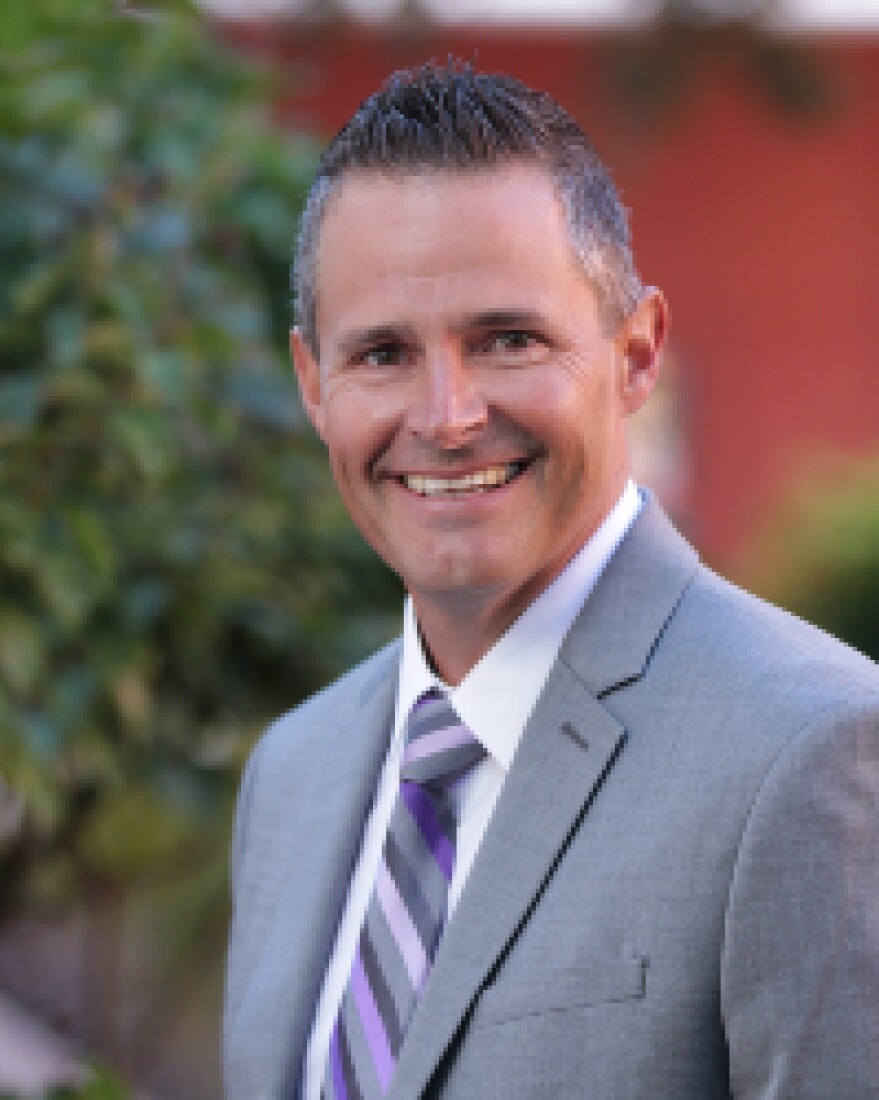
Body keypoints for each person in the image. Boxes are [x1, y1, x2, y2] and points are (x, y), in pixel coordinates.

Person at [224, 63, 879, 1100]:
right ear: (314, 383)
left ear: (634, 352)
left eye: (508, 339)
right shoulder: (291, 774)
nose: (445, 415)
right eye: (383, 353)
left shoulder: (811, 751)